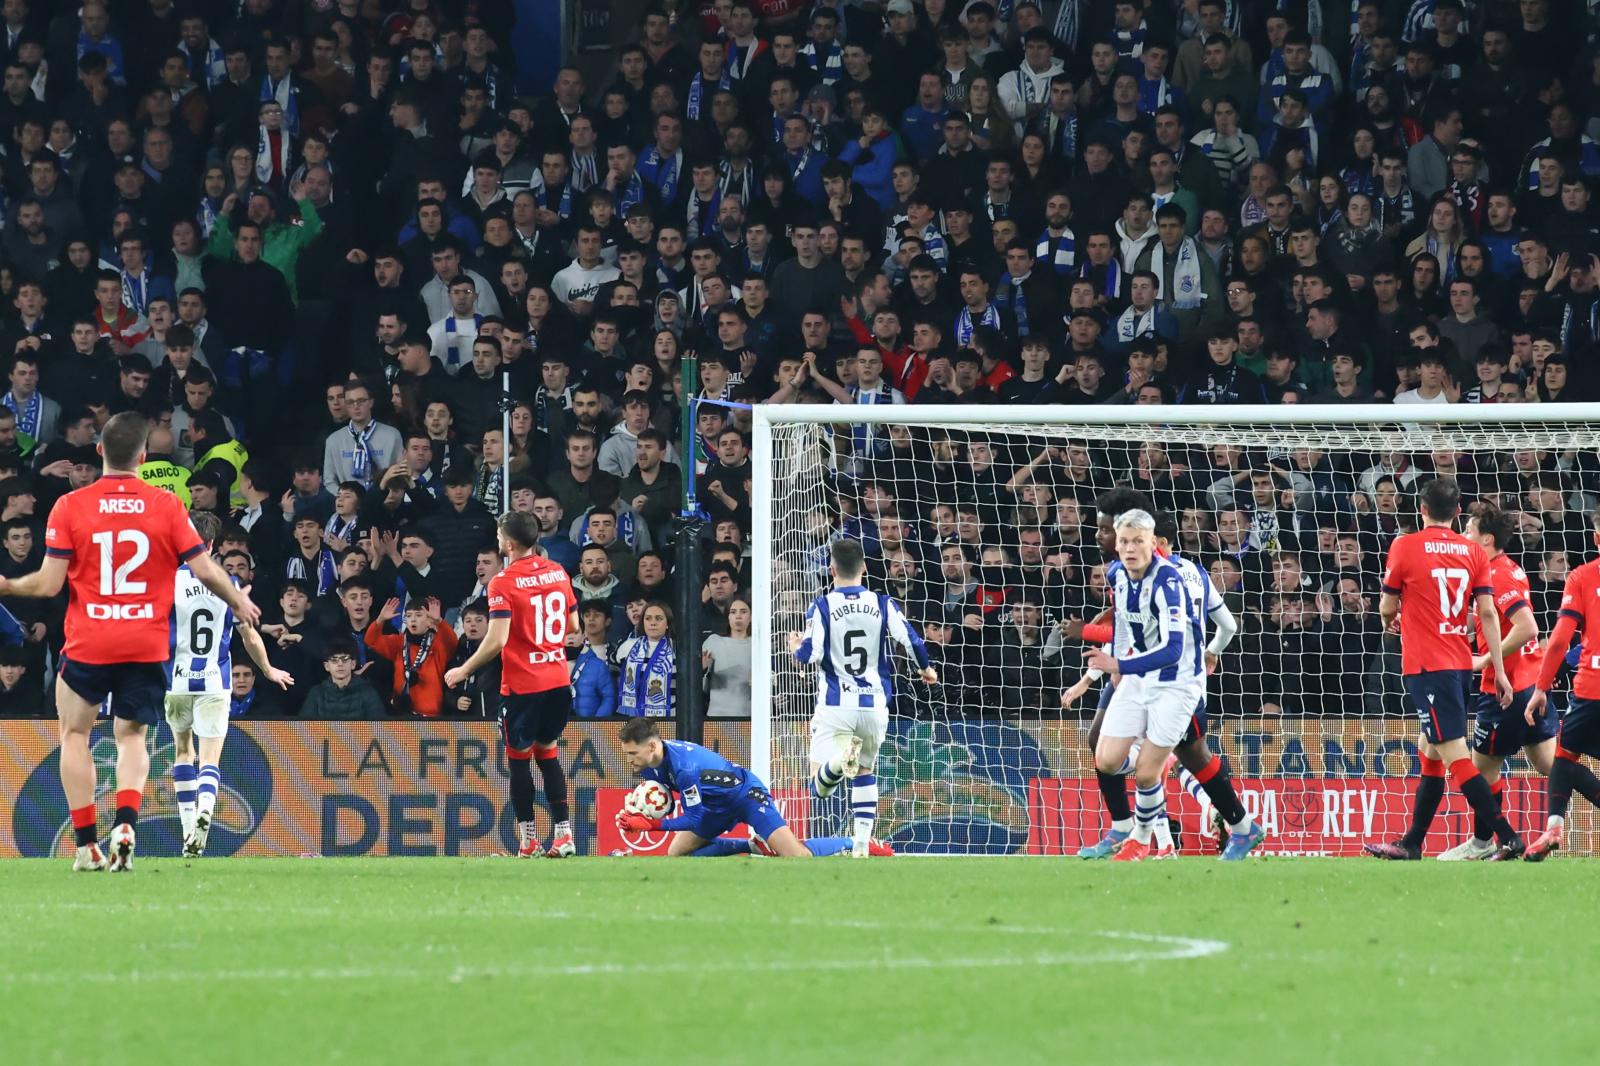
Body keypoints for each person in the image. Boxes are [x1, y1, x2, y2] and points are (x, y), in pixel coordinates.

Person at [0, 411, 259, 871]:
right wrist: (237, 603)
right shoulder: (166, 505)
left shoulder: (70, 506)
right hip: (145, 643)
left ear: (100, 451)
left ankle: (85, 845)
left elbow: (46, 585)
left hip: (89, 641)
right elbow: (204, 569)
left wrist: (7, 585)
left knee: (75, 734)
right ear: (143, 455)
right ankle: (125, 824)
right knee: (131, 736)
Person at [1365, 478, 1523, 861]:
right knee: (1430, 751)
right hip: (1459, 663)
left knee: (1454, 755)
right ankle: (1412, 843)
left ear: (1421, 509)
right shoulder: (1473, 552)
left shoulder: (1405, 545)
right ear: (1457, 513)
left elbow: (1387, 606)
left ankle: (1508, 837)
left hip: (1426, 665)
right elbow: (1487, 613)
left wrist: (1394, 618)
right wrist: (1498, 670)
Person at [789, 539, 936, 855]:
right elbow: (911, 640)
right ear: (865, 568)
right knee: (865, 772)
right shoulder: (882, 603)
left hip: (835, 705)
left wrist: (794, 646)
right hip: (874, 705)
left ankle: (840, 762)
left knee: (819, 785)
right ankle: (860, 846)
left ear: (832, 570)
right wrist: (927, 669)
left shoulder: (823, 605)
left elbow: (809, 654)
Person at [444, 514, 578, 859]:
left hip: (523, 685)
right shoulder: (558, 572)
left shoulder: (502, 582)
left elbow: (497, 640)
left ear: (508, 544)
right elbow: (573, 625)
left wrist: (463, 670)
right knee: (547, 754)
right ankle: (564, 836)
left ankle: (529, 841)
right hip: (558, 679)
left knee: (519, 761)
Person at [166, 509, 291, 856]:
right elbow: (249, 637)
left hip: (175, 679)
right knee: (209, 759)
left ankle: (189, 828)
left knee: (182, 752)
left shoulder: (168, 580)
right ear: (213, 544)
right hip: (214, 678)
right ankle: (206, 809)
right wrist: (268, 670)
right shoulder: (228, 583)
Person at [1436, 503, 1551, 860]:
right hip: (1533, 683)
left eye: (1468, 531)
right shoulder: (1506, 570)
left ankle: (1483, 843)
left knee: (1478, 770)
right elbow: (1488, 621)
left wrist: (1487, 659)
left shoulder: (1497, 574)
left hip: (1507, 689)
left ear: (1486, 539)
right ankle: (1485, 843)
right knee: (1554, 767)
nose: (1463, 536)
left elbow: (1527, 626)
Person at [1086, 509, 1199, 862]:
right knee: (1105, 760)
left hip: (1175, 683)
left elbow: (1173, 649)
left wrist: (1119, 664)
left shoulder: (1168, 583)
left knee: (1147, 773)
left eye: (1138, 541)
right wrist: (1117, 669)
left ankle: (1141, 839)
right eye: (1124, 541)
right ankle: (1159, 757)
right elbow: (1121, 624)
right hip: (1135, 677)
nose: (1130, 548)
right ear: (1116, 545)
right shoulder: (1117, 574)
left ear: (1153, 543)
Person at [615, 716, 812, 857]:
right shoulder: (648, 764)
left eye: (633, 753)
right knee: (676, 853)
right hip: (715, 807)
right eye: (626, 753)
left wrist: (652, 825)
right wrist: (639, 811)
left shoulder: (684, 768)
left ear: (651, 746)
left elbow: (694, 818)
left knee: (796, 856)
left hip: (745, 796)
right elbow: (668, 804)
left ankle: (843, 843)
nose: (628, 760)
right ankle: (753, 846)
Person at [1522, 508, 1600, 860]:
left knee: (1565, 756)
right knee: (1564, 756)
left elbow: (1557, 642)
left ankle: (1554, 827)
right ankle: (1552, 830)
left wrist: (1541, 687)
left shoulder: (1582, 577)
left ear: (1596, 538)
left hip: (1591, 688)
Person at [617, 601, 676, 718]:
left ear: (668, 623)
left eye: (658, 618)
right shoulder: (628, 647)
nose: (653, 623)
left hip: (670, 718)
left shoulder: (678, 650)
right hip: (636, 720)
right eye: (648, 618)